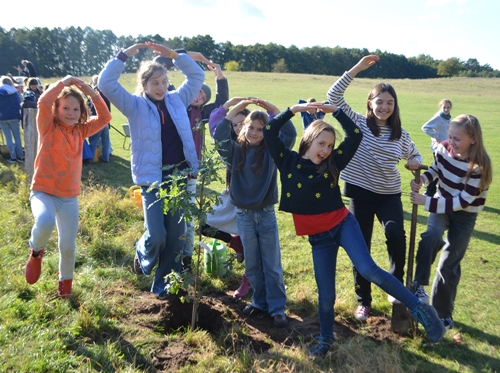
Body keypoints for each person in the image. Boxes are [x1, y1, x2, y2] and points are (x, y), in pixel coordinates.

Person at [263, 100, 445, 356]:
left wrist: (335, 111)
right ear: (308, 141)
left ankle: (422, 311)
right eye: (321, 144)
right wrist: (293, 111)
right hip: (319, 239)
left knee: (368, 269)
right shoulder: (288, 162)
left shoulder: (333, 163)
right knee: (326, 295)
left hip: (342, 224)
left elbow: (356, 134)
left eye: (329, 145)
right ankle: (326, 339)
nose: (326, 150)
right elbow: (270, 131)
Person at [98, 42, 204, 299]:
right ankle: (141, 254)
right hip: (152, 180)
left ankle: (163, 286)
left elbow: (197, 75)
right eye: (154, 82)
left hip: (179, 176)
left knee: (176, 236)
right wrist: (122, 56)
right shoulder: (133, 105)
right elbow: (106, 83)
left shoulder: (179, 99)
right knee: (157, 235)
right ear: (144, 85)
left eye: (163, 81)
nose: (160, 86)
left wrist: (172, 55)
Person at [327, 55, 422, 322]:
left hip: (389, 195)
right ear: (370, 102)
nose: (384, 107)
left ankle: (396, 284)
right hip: (359, 194)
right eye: (379, 101)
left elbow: (414, 155)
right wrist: (356, 68)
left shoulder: (399, 134)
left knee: (395, 233)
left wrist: (415, 162)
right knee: (361, 248)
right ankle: (364, 301)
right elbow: (333, 96)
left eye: (390, 103)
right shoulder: (357, 123)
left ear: (395, 106)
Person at [24, 75, 112, 298]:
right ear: (56, 109)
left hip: (69, 198)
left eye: (75, 109)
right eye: (65, 108)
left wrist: (90, 92)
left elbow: (105, 117)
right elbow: (43, 101)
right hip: (43, 192)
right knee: (44, 221)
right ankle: (36, 252)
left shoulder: (81, 131)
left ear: (81, 112)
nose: (71, 113)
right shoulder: (47, 126)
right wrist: (63, 83)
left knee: (68, 246)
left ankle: (65, 286)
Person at [213, 98, 296, 328]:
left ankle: (277, 307)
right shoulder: (235, 151)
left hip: (266, 214)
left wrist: (273, 107)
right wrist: (236, 109)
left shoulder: (272, 150)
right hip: (244, 216)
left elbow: (289, 133)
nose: (255, 132)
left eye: (261, 129)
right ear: (243, 127)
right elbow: (219, 136)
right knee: (252, 263)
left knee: (271, 263)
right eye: (251, 127)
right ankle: (259, 302)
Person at [411, 114, 492, 331]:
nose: (451, 143)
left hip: (464, 215)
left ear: (473, 139)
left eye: (457, 139)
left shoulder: (479, 165)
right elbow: (436, 169)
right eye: (450, 137)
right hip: (442, 204)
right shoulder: (444, 149)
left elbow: (462, 201)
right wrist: (423, 179)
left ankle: (442, 314)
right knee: (431, 237)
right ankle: (418, 284)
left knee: (449, 264)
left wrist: (426, 201)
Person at [421, 99, 452, 197]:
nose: (446, 109)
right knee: (438, 169)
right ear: (440, 107)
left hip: (446, 148)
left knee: (441, 169)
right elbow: (425, 127)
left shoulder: (448, 118)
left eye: (448, 107)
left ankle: (435, 191)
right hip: (438, 148)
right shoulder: (438, 117)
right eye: (444, 107)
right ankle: (428, 191)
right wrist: (436, 137)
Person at [87, 75, 112, 162]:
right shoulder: (106, 95)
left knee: (93, 141)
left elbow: (91, 110)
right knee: (106, 142)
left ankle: (91, 159)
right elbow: (108, 110)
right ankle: (106, 158)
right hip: (105, 122)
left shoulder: (94, 96)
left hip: (96, 121)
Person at [0, 76, 23, 163]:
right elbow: (18, 104)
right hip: (13, 116)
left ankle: (13, 157)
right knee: (17, 137)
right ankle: (20, 156)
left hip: (2, 117)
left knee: (8, 138)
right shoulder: (14, 92)